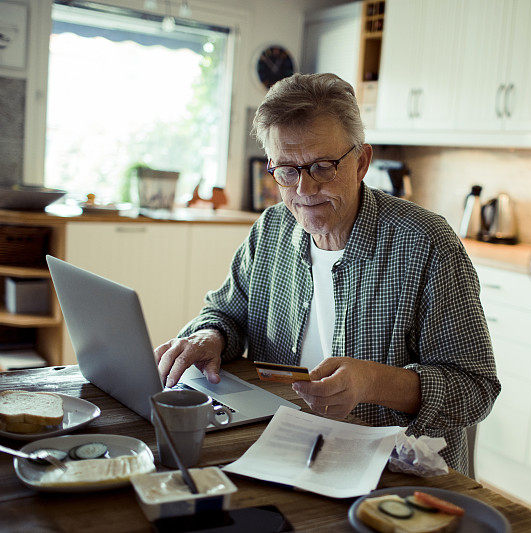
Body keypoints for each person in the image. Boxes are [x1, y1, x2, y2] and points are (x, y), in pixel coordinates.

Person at [155, 73, 499, 473]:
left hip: (394, 474)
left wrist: (374, 383)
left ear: (361, 163)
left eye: (322, 166)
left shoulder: (426, 243)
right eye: (287, 170)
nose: (303, 189)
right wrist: (209, 335)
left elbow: (476, 390)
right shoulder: (271, 230)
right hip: (280, 451)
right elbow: (226, 313)